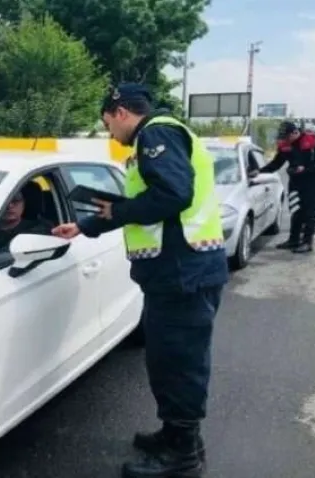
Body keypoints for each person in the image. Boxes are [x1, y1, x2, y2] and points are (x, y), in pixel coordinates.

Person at [52, 83, 228, 478]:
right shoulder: (157, 137)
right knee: (168, 361)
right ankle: (176, 436)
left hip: (184, 272)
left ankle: (181, 455)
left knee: (179, 363)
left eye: (107, 125)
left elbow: (172, 196)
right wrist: (86, 225)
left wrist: (118, 212)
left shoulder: (156, 133)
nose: (110, 134)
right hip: (178, 272)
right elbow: (142, 205)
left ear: (119, 112)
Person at [252, 121, 315, 253]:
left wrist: (307, 169)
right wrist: (260, 171)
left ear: (295, 132)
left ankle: (307, 242)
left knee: (309, 212)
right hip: (296, 182)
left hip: (314, 182)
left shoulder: (314, 141)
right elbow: (276, 164)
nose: (285, 140)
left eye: (287, 136)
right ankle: (293, 240)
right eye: (283, 137)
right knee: (295, 210)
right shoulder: (285, 145)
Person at [0, 186, 53, 253]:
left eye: (16, 200)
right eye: (5, 201)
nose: (10, 205)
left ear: (24, 203)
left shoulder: (40, 230)